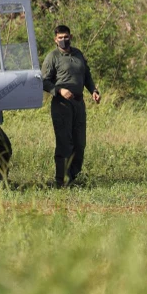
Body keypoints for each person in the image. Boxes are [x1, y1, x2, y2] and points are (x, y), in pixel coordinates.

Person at [41, 25, 100, 188]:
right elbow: (43, 81)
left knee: (79, 143)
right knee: (64, 143)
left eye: (66, 37)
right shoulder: (52, 57)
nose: (63, 40)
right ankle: (62, 181)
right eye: (60, 37)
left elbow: (86, 74)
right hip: (62, 104)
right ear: (55, 39)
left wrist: (93, 90)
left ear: (70, 36)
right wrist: (59, 90)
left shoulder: (78, 54)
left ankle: (72, 176)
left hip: (79, 104)